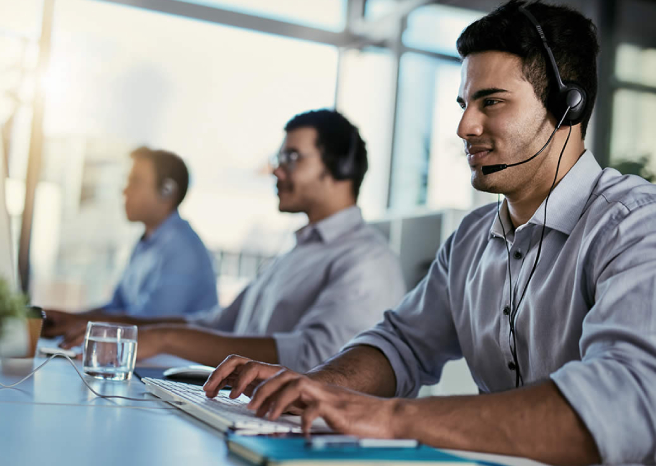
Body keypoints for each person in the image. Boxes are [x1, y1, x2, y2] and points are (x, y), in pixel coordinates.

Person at [203, 2, 656, 464]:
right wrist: (313, 387)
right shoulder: (471, 238)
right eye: (464, 104)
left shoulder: (636, 229)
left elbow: (619, 403)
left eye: (491, 102)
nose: (464, 127)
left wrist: (389, 417)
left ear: (567, 107)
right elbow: (402, 344)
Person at [46, 109, 406, 373]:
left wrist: (165, 339)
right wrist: (128, 332)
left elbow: (317, 359)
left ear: (340, 167)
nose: (277, 170)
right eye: (278, 158)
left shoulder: (366, 260)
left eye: (291, 158)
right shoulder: (297, 253)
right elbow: (218, 323)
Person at [42, 147, 218, 334]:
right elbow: (116, 307)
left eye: (135, 181)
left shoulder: (183, 250)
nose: (125, 190)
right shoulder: (145, 242)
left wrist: (80, 323)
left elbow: (149, 324)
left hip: (171, 361)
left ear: (167, 191)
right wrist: (69, 319)